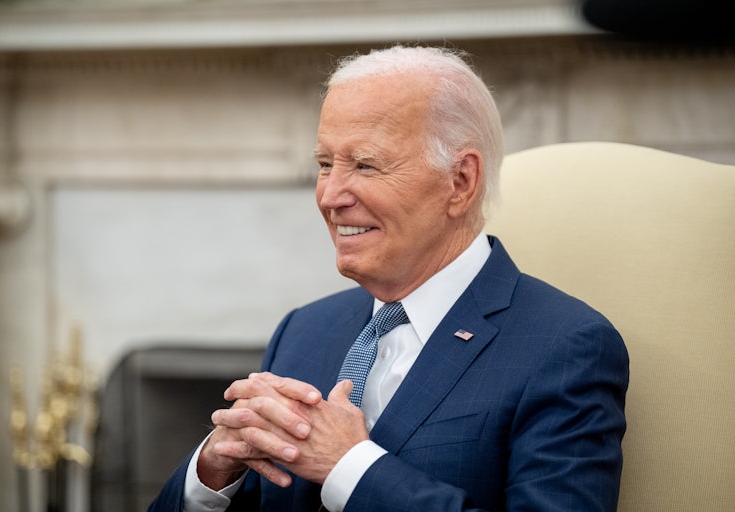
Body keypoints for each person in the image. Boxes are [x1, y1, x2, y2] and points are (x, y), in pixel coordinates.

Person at [148, 45, 629, 512]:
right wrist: (213, 472)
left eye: (365, 165)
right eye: (324, 165)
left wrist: (350, 468)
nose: (331, 196)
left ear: (460, 182)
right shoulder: (304, 330)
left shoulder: (565, 347)